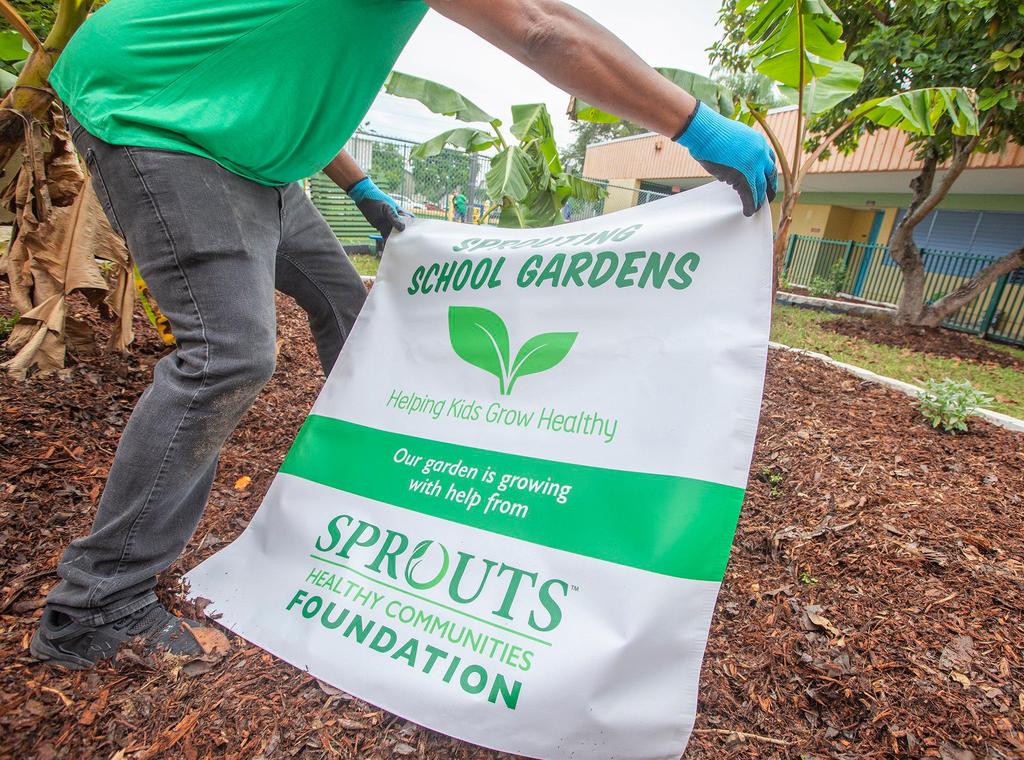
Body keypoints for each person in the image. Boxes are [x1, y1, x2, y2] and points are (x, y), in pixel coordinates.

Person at [31, 0, 777, 669]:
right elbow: (542, 28)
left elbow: (281, 82)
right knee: (229, 353)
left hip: (245, 152)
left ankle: (374, 477)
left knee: (349, 307)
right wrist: (696, 126)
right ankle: (95, 607)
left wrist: (358, 185)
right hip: (158, 119)